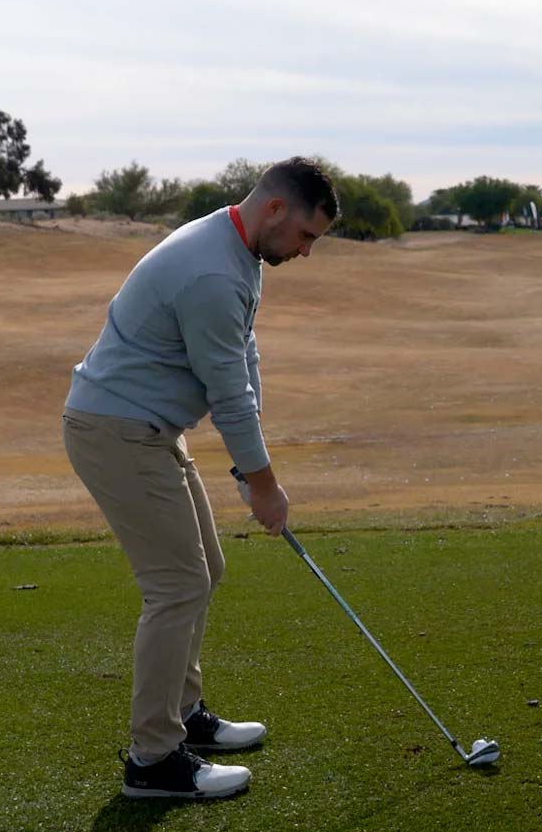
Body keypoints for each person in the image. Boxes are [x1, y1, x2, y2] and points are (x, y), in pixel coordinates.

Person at [62, 156, 338, 799]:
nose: (305, 251)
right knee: (176, 585)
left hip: (147, 430)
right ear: (276, 210)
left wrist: (249, 465)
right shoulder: (215, 269)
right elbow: (227, 394)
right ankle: (153, 761)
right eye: (306, 236)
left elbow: (243, 356)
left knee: (204, 569)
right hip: (117, 433)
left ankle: (184, 719)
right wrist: (265, 485)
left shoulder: (236, 248)